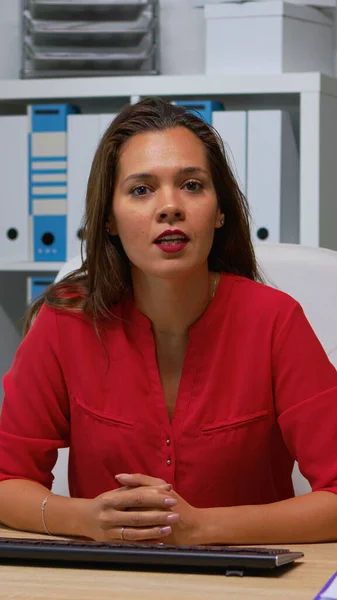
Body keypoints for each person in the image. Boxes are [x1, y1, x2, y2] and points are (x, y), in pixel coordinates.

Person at [0, 98, 337, 547]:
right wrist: (85, 519)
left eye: (192, 185)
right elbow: (8, 481)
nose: (170, 207)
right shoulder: (65, 321)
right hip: (106, 584)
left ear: (220, 212)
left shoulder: (276, 321)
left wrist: (201, 529)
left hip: (245, 584)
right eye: (141, 189)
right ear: (109, 221)